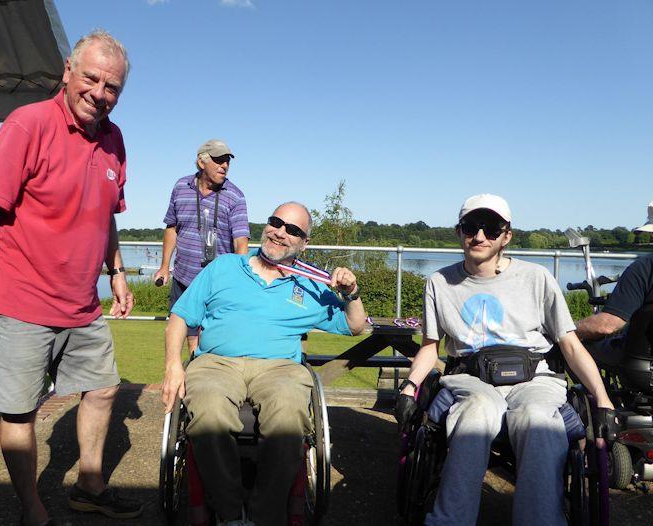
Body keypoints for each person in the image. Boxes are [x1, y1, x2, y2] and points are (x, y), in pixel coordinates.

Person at [0, 30, 142, 526]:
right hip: (20, 301)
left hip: (82, 303)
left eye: (112, 87)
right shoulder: (27, 124)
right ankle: (32, 509)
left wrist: (116, 272)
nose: (100, 93)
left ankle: (89, 486)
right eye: (92, 78)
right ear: (67, 71)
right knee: (21, 413)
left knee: (103, 389)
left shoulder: (115, 140)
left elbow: (107, 217)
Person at [395, 194, 614, 526]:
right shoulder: (440, 283)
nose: (479, 236)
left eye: (491, 228)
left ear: (506, 235)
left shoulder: (536, 278)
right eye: (470, 227)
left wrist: (603, 400)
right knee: (476, 413)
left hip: (535, 377)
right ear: (459, 231)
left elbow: (569, 344)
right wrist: (410, 388)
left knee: (538, 418)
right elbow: (430, 346)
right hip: (471, 378)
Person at [160, 202, 367, 526]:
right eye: (276, 222)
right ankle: (230, 514)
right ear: (267, 225)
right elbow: (180, 317)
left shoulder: (312, 283)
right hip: (216, 362)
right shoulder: (224, 267)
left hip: (279, 369)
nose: (281, 232)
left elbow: (355, 325)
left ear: (304, 243)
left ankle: (263, 514)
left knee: (288, 414)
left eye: (293, 230)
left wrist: (351, 293)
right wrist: (174, 365)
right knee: (209, 412)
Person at [153, 139, 250, 353]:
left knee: (209, 339)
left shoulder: (235, 196)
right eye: (218, 160)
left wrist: (240, 279)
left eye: (227, 161)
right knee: (186, 336)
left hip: (217, 282)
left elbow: (241, 242)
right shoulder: (181, 187)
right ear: (201, 162)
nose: (224, 166)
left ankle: (200, 377)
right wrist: (164, 266)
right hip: (183, 278)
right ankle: (188, 379)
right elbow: (172, 227)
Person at [576, 201, 653, 346]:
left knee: (579, 350)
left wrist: (565, 331)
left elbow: (607, 325)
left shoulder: (644, 268)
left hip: (641, 357)